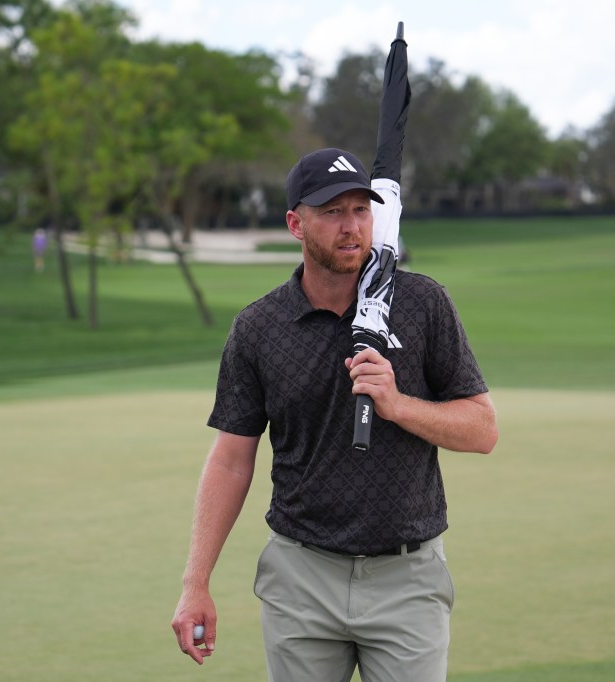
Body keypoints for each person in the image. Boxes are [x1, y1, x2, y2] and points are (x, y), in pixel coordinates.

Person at [170, 148, 498, 681]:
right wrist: (195, 582)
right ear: (296, 224)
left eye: (361, 211)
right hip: (301, 578)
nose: (352, 227)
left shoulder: (422, 304)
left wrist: (398, 405)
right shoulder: (258, 327)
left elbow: (482, 429)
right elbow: (232, 460)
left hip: (407, 579)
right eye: (332, 212)